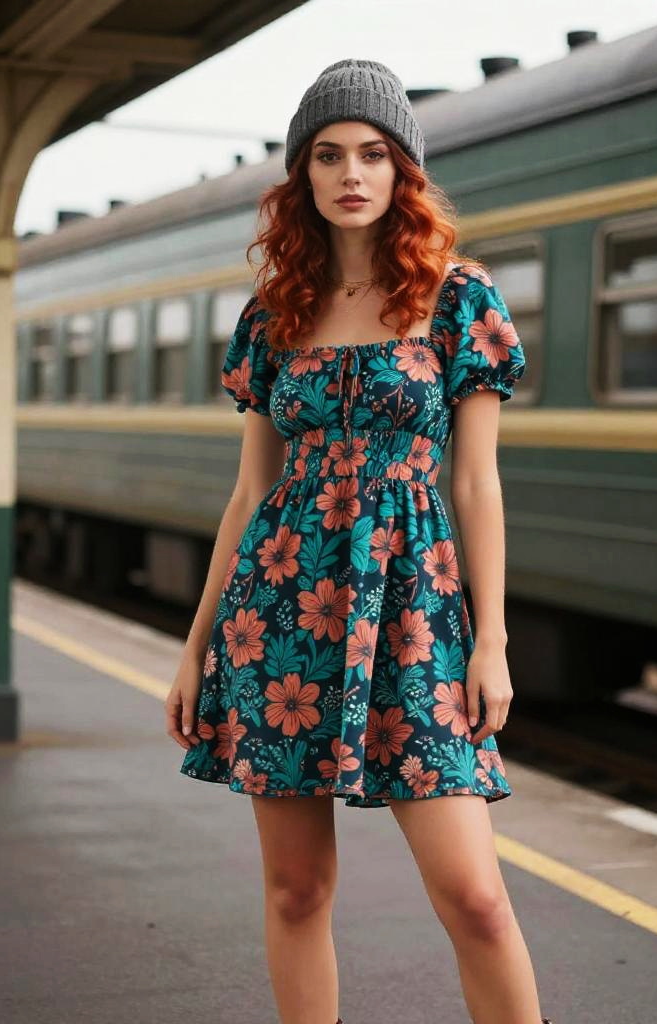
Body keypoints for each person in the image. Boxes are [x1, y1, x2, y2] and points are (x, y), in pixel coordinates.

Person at [167, 58, 550, 1024]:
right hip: (278, 617)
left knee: (476, 898)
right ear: (302, 176)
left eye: (374, 154)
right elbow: (252, 489)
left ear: (402, 173)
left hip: (417, 613)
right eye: (329, 155)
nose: (352, 173)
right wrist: (196, 643)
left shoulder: (462, 303)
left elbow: (475, 482)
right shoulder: (273, 314)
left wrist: (491, 641)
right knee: (298, 891)